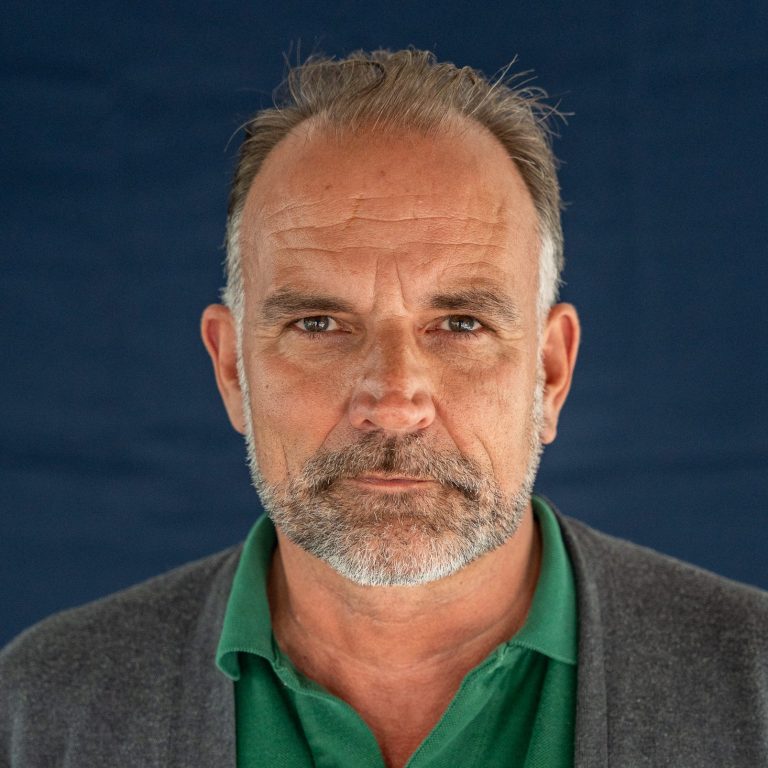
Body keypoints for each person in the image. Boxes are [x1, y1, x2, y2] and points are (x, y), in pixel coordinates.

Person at [1, 48, 766, 768]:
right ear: (232, 368)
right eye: (319, 325)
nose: (395, 404)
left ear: (551, 372)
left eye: (460, 324)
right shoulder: (41, 708)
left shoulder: (755, 690)